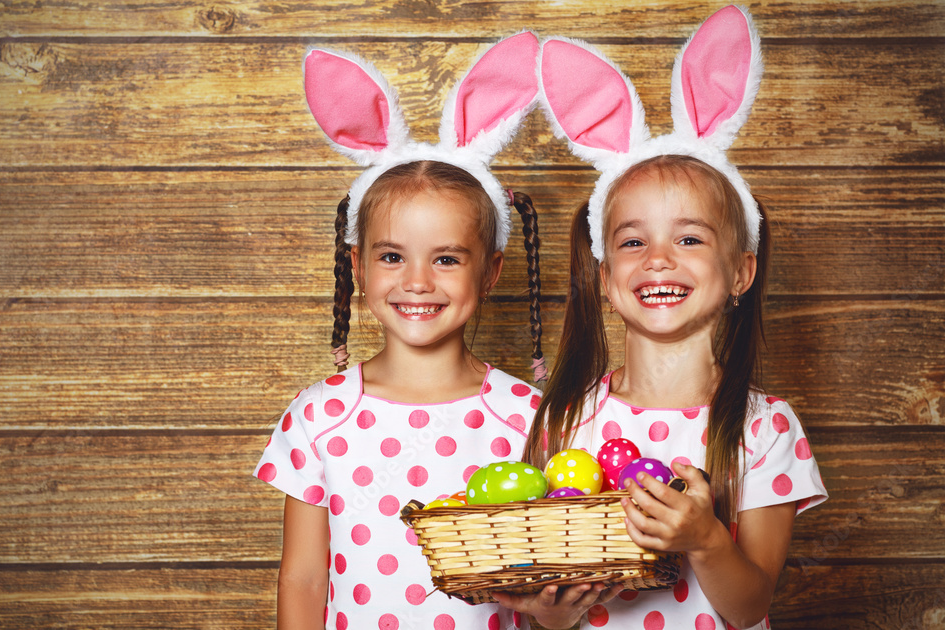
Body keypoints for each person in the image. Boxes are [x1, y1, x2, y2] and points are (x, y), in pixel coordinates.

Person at [495, 8, 827, 629]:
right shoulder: (566, 418)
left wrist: (703, 539)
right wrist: (550, 612)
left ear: (741, 274)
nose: (657, 261)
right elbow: (548, 607)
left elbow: (750, 603)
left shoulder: (765, 428)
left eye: (691, 240)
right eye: (631, 242)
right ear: (604, 280)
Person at [254, 33, 550, 629]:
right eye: (393, 257)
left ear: (490, 270)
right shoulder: (318, 416)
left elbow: (545, 585)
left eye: (446, 259)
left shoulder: (530, 417)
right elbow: (305, 578)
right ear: (358, 265)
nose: (417, 282)